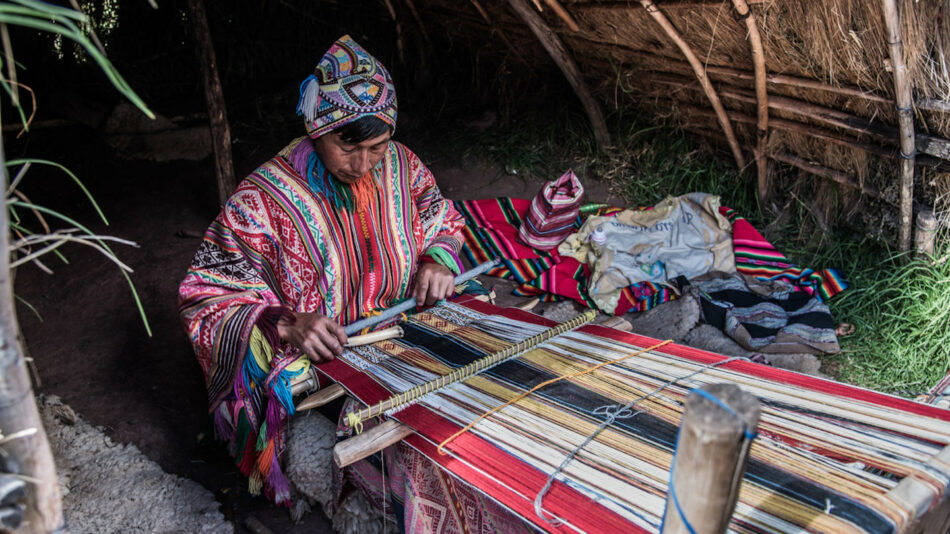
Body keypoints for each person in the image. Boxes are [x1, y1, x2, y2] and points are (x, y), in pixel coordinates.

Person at [179, 35, 528, 531]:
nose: (363, 164)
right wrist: (287, 323)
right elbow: (206, 295)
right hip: (323, 354)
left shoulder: (404, 166)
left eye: (377, 147)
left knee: (485, 357)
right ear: (314, 127)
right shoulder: (259, 201)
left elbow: (441, 220)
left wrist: (436, 259)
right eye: (348, 146)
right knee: (289, 396)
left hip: (401, 325)